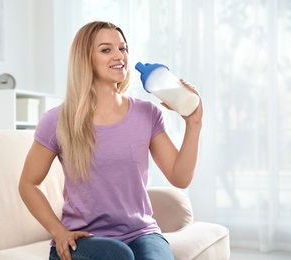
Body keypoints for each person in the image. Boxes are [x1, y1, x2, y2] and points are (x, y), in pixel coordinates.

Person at [18, 21, 203, 260]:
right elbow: (27, 184)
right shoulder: (57, 120)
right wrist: (59, 232)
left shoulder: (147, 114)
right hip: (83, 240)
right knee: (119, 255)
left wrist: (194, 124)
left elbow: (180, 177)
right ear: (86, 59)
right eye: (106, 50)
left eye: (123, 48)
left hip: (141, 233)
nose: (120, 56)